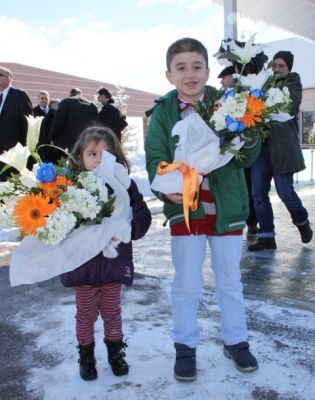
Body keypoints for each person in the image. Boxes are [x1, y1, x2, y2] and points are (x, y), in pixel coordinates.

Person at [145, 37, 260, 382]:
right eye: (181, 68)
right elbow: (155, 159)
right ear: (169, 75)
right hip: (187, 213)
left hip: (226, 208)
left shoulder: (229, 105)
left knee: (230, 280)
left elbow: (249, 157)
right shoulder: (163, 113)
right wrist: (169, 192)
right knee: (187, 283)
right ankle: (185, 346)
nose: (190, 74)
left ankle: (236, 341)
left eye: (197, 66)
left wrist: (248, 133)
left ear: (208, 71)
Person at [60, 126, 152, 381]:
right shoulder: (72, 189)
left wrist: (127, 229)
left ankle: (115, 353)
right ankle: (86, 356)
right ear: (80, 158)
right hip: (84, 267)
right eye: (92, 154)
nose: (99, 160)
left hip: (113, 265)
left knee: (112, 312)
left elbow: (141, 213)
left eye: (106, 154)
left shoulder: (125, 186)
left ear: (118, 159)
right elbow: (59, 223)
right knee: (86, 314)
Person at [248, 51, 313, 251]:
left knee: (285, 192)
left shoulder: (293, 84)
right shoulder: (264, 82)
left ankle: (302, 221)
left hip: (282, 149)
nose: (276, 69)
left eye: (281, 66)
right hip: (262, 149)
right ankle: (266, 235)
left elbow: (289, 104)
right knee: (258, 193)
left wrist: (263, 83)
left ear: (288, 69)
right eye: (274, 65)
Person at [217, 65, 258, 236]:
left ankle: (252, 221)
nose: (221, 81)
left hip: (243, 150)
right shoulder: (220, 98)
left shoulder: (244, 97)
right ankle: (251, 221)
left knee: (249, 186)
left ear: (232, 77)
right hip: (229, 153)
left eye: (224, 77)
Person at [0, 66, 33, 181]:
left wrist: (26, 149)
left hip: (14, 152)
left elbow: (28, 124)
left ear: (8, 78)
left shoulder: (19, 95)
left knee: (12, 186)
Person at [49, 88, 98, 161]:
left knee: (73, 164)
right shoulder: (92, 106)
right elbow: (96, 124)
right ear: (81, 94)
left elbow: (58, 121)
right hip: (88, 140)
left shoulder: (66, 102)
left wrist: (52, 137)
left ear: (70, 94)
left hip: (71, 141)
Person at [41, 98, 60, 163]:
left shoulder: (49, 116)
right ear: (52, 105)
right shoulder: (52, 116)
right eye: (58, 104)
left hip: (47, 148)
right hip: (51, 148)